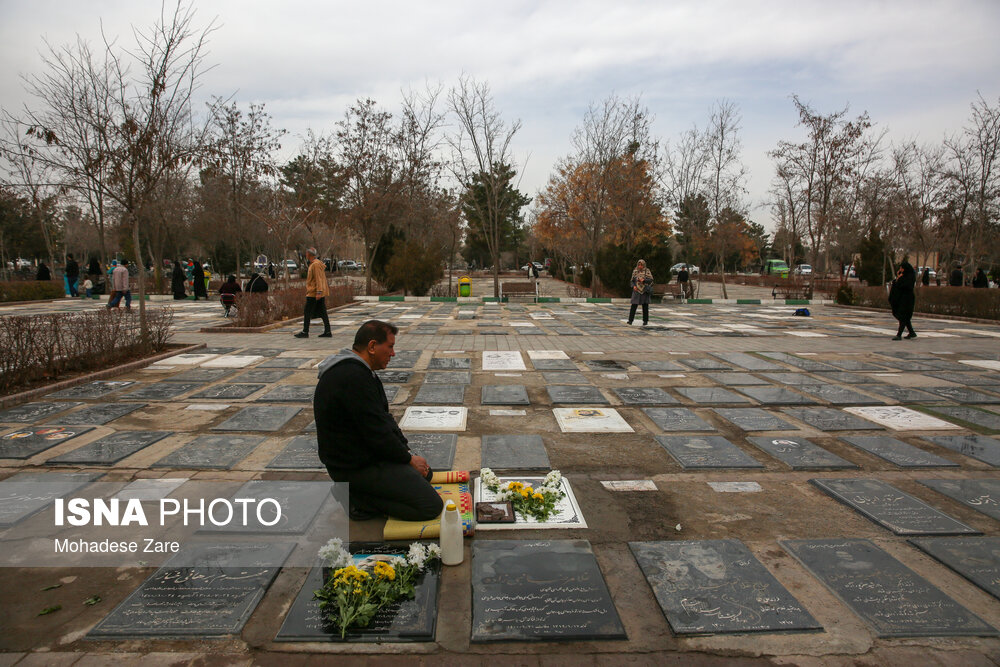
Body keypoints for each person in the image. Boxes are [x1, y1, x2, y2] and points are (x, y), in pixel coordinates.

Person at [315, 320, 442, 522]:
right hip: (353, 468)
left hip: (367, 456)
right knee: (430, 506)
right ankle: (356, 498)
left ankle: (365, 493)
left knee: (425, 474)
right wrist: (408, 461)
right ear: (372, 346)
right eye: (390, 347)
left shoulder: (362, 371)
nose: (393, 353)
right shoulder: (352, 377)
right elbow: (377, 433)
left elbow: (384, 419)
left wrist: (407, 454)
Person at [295, 247, 331, 338]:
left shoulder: (315, 265)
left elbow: (318, 278)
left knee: (307, 311)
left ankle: (305, 331)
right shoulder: (314, 264)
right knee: (322, 312)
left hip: (314, 293)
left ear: (309, 254)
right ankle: (327, 331)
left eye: (307, 253)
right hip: (315, 292)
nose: (306, 255)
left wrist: (319, 291)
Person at [888, 261, 916, 340]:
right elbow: (896, 284)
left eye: (901, 268)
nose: (900, 270)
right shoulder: (903, 276)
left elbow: (903, 286)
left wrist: (899, 279)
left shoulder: (909, 276)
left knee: (903, 316)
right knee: (904, 317)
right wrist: (898, 278)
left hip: (907, 299)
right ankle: (912, 332)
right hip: (901, 298)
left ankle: (899, 334)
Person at [627, 259, 653, 326]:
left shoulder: (647, 271)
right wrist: (633, 286)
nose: (640, 266)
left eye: (641, 265)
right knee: (633, 306)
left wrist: (644, 280)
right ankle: (630, 320)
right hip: (636, 291)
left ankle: (645, 321)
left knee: (645, 306)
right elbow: (632, 280)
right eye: (639, 265)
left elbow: (650, 280)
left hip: (644, 291)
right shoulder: (635, 271)